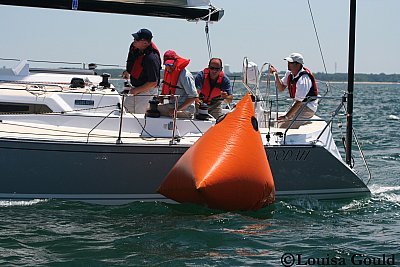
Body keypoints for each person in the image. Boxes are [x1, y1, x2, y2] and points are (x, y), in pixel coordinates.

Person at [269, 52, 318, 128]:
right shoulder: (289, 73)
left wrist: (286, 117)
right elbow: (281, 87)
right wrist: (275, 74)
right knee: (277, 124)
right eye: (288, 62)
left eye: (291, 62)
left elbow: (299, 102)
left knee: (284, 128)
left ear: (298, 64)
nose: (288, 64)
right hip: (298, 105)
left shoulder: (303, 80)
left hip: (307, 107)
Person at [122, 28, 161, 113]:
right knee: (126, 111)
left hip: (147, 91)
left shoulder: (151, 58)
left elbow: (153, 82)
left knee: (140, 117)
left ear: (145, 43)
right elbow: (132, 63)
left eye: (137, 39)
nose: (134, 40)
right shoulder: (134, 48)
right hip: (134, 88)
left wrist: (137, 90)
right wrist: (127, 71)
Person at [157, 50, 198, 119]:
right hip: (172, 105)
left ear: (176, 62)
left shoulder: (185, 76)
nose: (169, 67)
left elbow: (193, 97)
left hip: (185, 110)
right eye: (167, 65)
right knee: (151, 109)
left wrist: (177, 110)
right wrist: (160, 98)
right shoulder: (167, 73)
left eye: (171, 65)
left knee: (151, 111)